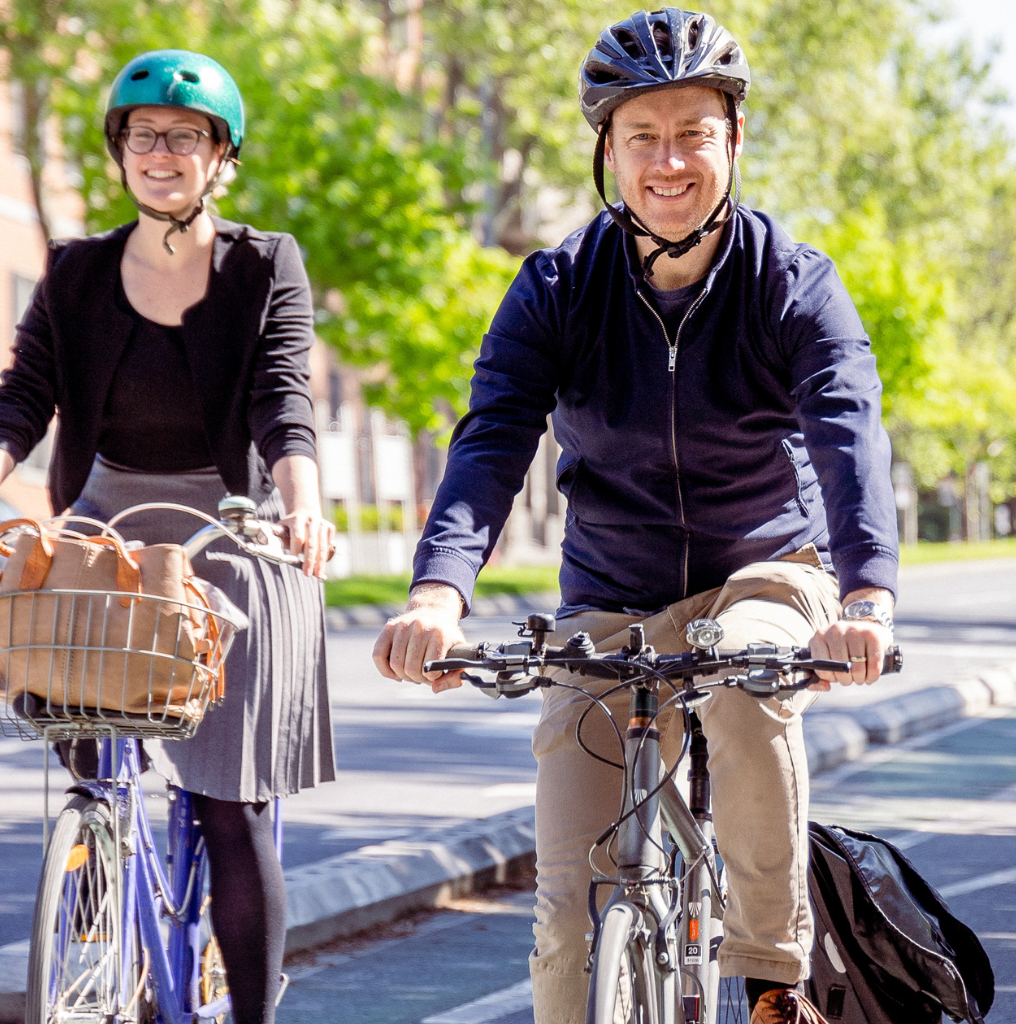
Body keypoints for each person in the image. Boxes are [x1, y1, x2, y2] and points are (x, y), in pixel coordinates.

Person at [372, 10, 898, 1024]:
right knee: (570, 910)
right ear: (607, 152)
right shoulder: (557, 289)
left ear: (733, 142)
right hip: (609, 592)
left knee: (748, 681)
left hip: (766, 568)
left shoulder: (794, 284)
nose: (669, 161)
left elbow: (848, 435)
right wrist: (437, 595)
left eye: (694, 132)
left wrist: (867, 597)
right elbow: (490, 442)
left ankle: (774, 980)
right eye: (642, 137)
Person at [0, 50, 334, 1024]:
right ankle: (100, 932)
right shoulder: (76, 273)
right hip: (104, 521)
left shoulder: (266, 264)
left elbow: (284, 401)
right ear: (119, 152)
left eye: (185, 136)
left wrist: (302, 503)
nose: (161, 152)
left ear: (220, 158)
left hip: (224, 524)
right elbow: (22, 397)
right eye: (143, 134)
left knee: (226, 801)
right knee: (84, 740)